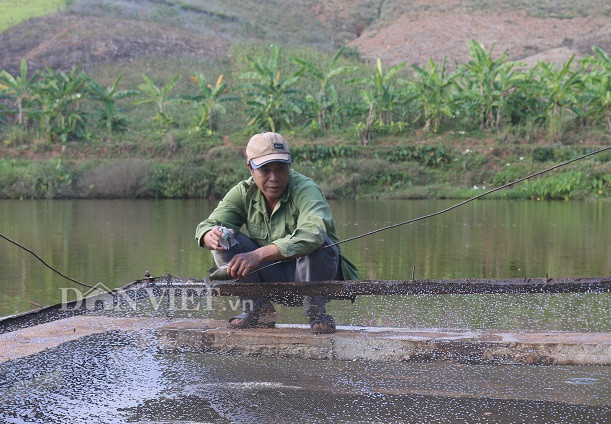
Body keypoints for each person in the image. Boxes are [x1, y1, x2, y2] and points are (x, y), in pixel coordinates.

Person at [195, 132, 358, 334]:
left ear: (289, 165)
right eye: (265, 170)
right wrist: (208, 235)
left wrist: (258, 255)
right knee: (224, 237)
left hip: (308, 275)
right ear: (250, 169)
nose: (274, 178)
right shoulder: (243, 192)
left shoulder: (306, 189)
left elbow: (313, 233)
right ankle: (258, 309)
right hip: (268, 273)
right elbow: (210, 223)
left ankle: (317, 313)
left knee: (321, 245)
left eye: (281, 169)